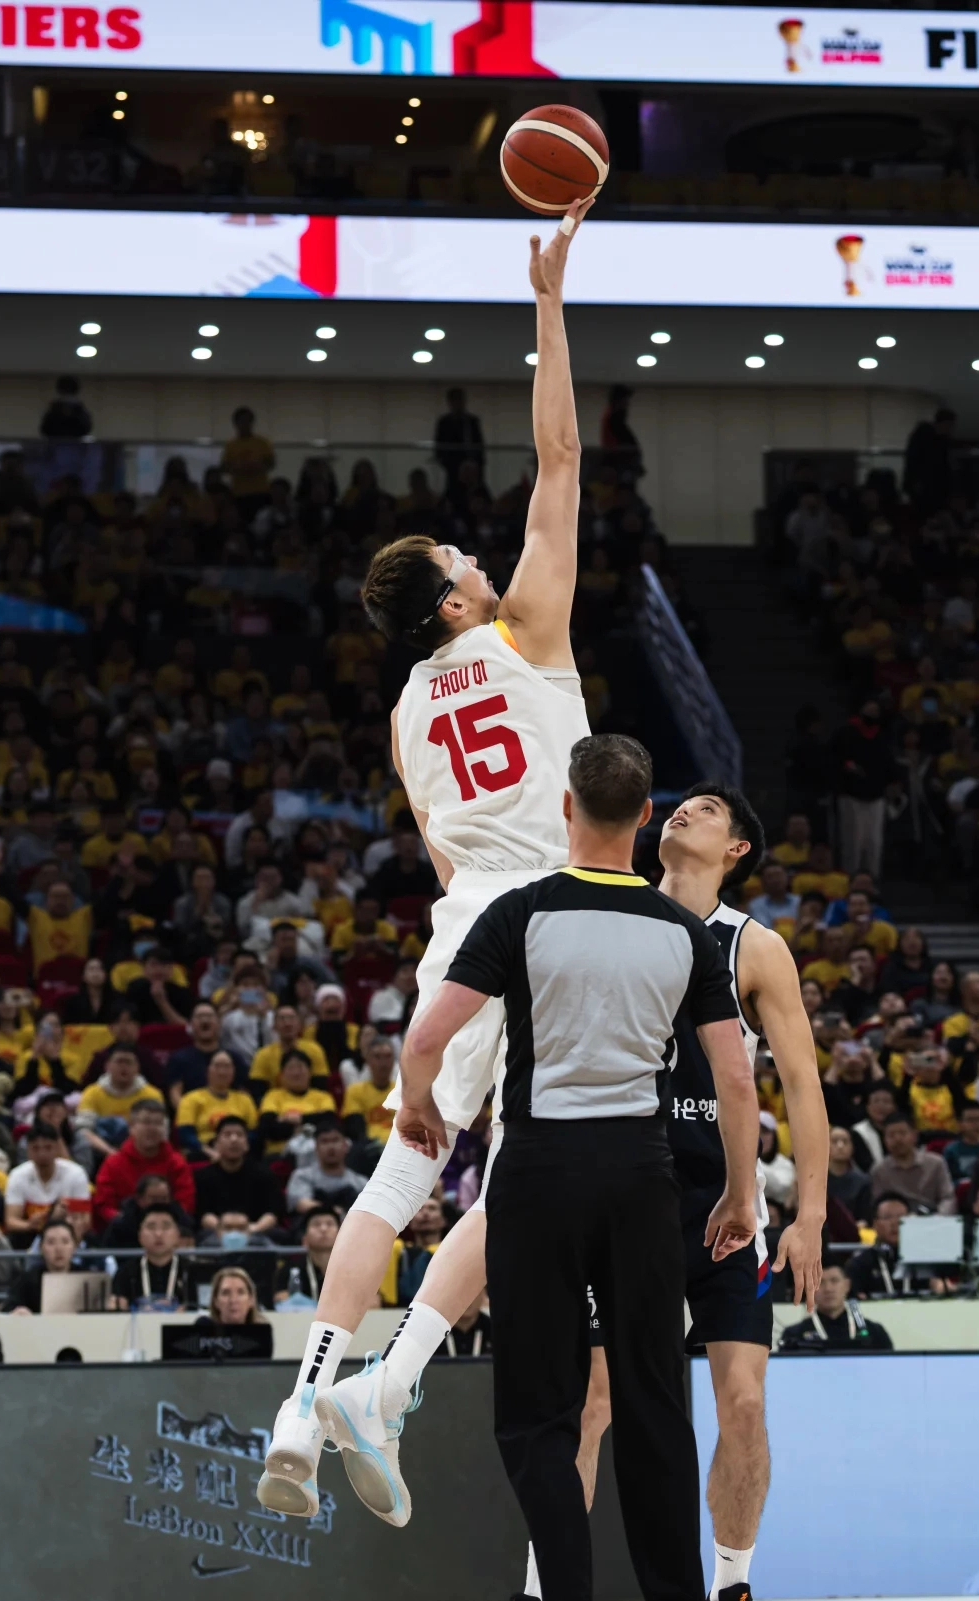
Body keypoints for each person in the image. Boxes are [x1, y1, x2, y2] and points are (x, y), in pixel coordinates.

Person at [259, 197, 597, 1519]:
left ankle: (309, 1393)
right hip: (556, 929)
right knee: (529, 1189)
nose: (483, 554)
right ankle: (391, 1381)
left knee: (401, 1170)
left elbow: (438, 845)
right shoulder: (528, 636)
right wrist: (550, 301)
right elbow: (561, 456)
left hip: (460, 928)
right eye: (468, 554)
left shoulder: (404, 715)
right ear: (460, 601)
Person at [323, 781, 827, 1601]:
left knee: (743, 1401)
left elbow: (798, 1084)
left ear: (738, 850)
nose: (683, 811)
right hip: (622, 1195)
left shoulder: (752, 947)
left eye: (707, 810)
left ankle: (732, 1583)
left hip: (718, 1205)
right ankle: (543, 1587)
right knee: (589, 1403)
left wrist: (807, 1212)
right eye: (678, 803)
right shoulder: (593, 908)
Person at [775, 1264, 891, 1352]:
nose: (828, 1289)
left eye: (834, 1281)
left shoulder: (874, 1333)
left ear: (847, 1285)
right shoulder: (794, 1336)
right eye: (820, 1282)